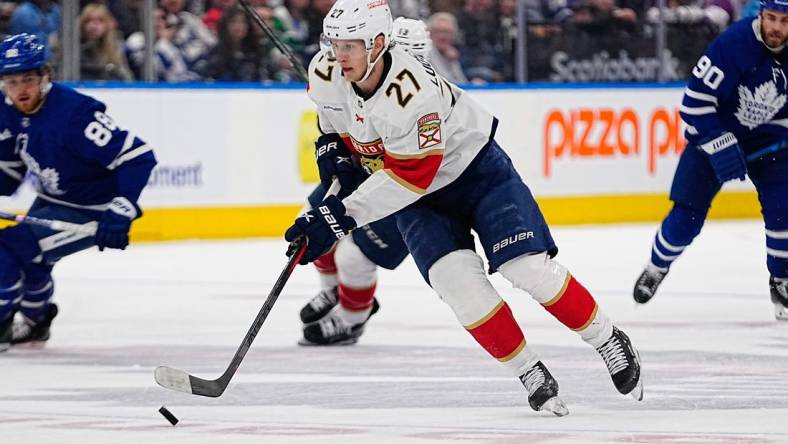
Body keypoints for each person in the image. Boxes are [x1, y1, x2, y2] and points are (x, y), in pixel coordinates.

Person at [284, 0, 643, 415]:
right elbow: (333, 119)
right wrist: (332, 147)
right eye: (334, 43)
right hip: (418, 202)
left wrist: (338, 217)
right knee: (459, 288)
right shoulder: (327, 69)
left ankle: (606, 337)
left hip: (475, 176)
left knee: (524, 268)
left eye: (350, 45)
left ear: (379, 44)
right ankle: (528, 371)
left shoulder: (411, 94)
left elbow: (408, 178)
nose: (337, 54)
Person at [0, 34, 157, 351]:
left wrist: (122, 208)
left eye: (28, 79)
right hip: (51, 196)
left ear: (46, 75)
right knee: (30, 259)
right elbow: (9, 168)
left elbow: (137, 156)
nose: (21, 90)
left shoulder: (76, 115)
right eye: (12, 81)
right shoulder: (6, 109)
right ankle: (35, 322)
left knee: (9, 248)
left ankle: (4, 325)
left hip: (92, 210)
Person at [633, 0, 788, 321]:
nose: (776, 27)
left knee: (783, 210)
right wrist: (719, 142)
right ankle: (656, 266)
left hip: (770, 141)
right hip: (714, 134)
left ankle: (781, 282)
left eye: (785, 21)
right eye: (771, 18)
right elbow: (693, 103)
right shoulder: (733, 44)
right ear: (760, 15)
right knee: (686, 218)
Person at [297, 17, 431, 346]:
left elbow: (413, 168)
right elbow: (341, 118)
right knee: (311, 219)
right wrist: (334, 145)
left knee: (353, 256)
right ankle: (332, 290)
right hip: (367, 172)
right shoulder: (364, 81)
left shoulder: (421, 96)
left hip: (407, 189)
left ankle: (353, 318)